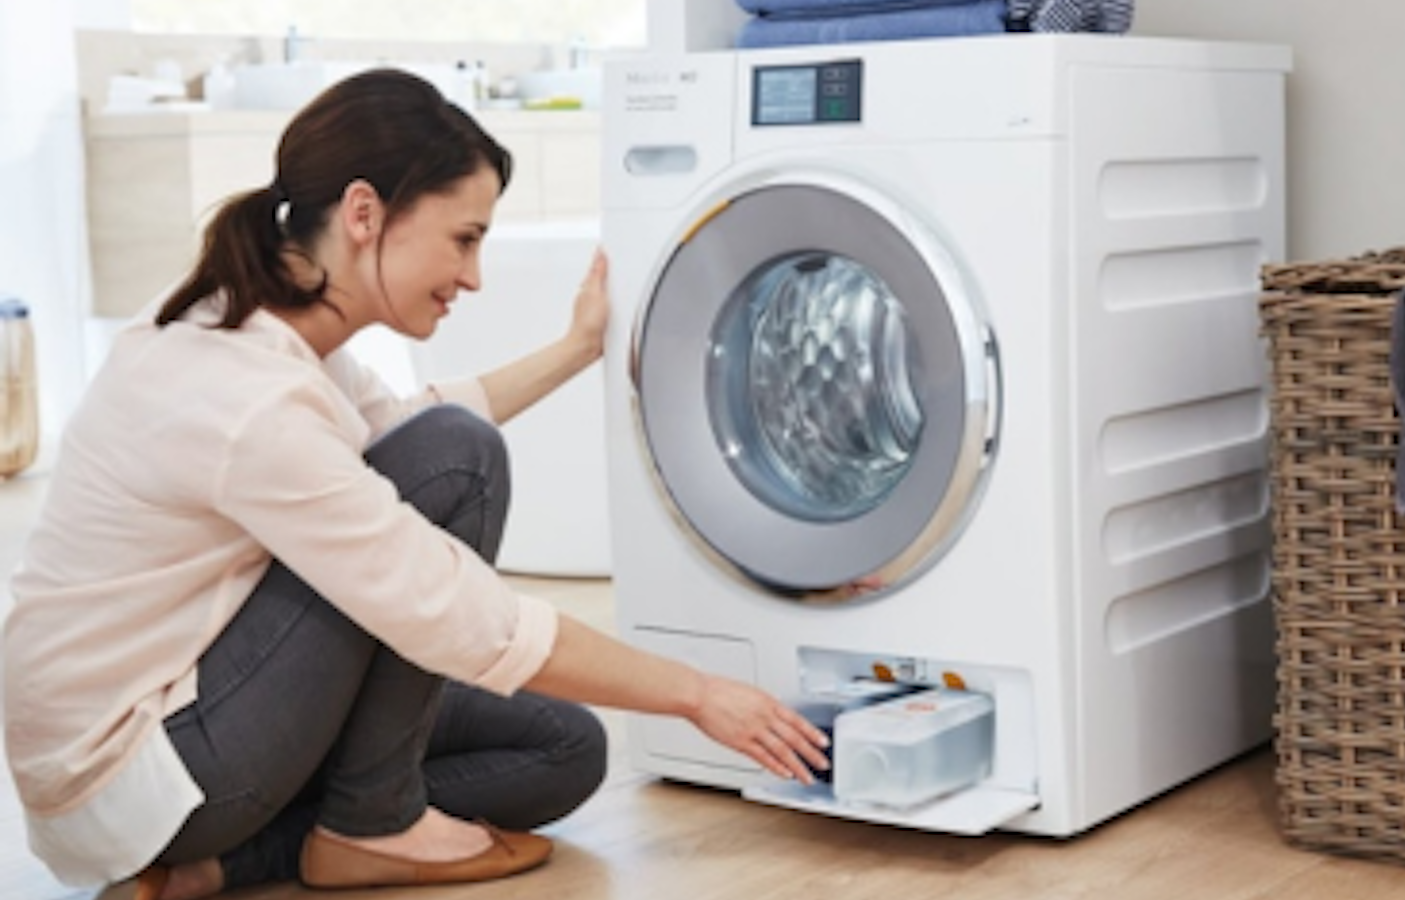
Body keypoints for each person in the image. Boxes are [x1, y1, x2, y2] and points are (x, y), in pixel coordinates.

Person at [0, 68, 830, 900]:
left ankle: (233, 864)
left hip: (189, 726)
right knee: (460, 459)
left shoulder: (262, 326)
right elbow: (457, 600)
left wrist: (577, 351)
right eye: (464, 239)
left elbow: (405, 424)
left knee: (564, 747)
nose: (473, 276)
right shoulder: (248, 393)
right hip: (141, 767)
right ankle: (370, 823)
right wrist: (697, 694)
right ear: (365, 214)